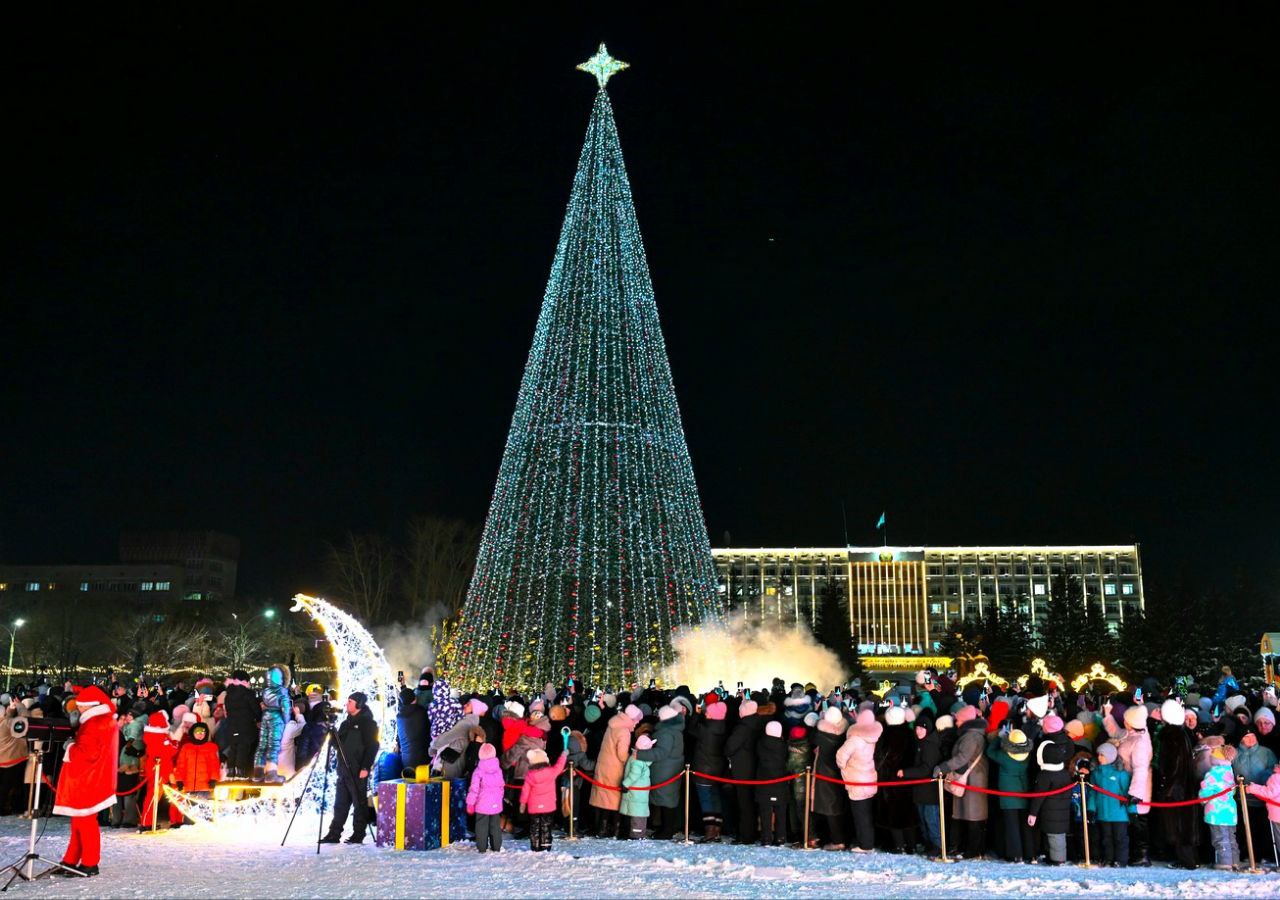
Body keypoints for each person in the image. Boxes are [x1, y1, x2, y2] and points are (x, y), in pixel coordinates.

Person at [51, 686, 117, 877]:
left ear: (90, 706)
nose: (78, 709)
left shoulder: (94, 724)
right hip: (94, 777)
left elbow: (87, 754)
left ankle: (89, 862)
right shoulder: (101, 720)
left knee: (85, 823)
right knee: (79, 822)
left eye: (81, 706)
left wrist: (70, 746)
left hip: (88, 779)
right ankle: (71, 860)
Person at [320, 692, 381, 845]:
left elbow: (373, 746)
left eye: (350, 702)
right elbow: (337, 745)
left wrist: (366, 766)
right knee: (340, 804)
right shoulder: (345, 723)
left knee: (359, 803)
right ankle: (334, 833)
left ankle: (358, 834)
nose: (347, 704)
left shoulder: (368, 723)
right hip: (343, 769)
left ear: (359, 704)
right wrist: (331, 732)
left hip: (358, 769)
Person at [935, 704, 988, 860]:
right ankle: (969, 848)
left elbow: (962, 758)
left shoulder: (971, 736)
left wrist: (942, 767)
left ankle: (973, 850)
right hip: (970, 779)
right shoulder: (973, 734)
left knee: (973, 817)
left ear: (965, 721)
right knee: (968, 815)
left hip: (972, 781)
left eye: (958, 720)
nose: (956, 722)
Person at [589, 703, 640, 838]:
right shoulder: (624, 731)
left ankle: (602, 828)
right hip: (615, 768)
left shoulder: (613, 725)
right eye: (636, 720)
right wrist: (631, 759)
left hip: (604, 765)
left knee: (604, 799)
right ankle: (616, 829)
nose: (637, 723)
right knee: (615, 800)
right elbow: (622, 754)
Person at [1027, 714, 1072, 865]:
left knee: (1054, 835)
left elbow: (1039, 795)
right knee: (1058, 835)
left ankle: (1058, 859)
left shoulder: (1045, 775)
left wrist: (1033, 813)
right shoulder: (1065, 773)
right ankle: (1056, 856)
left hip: (1050, 810)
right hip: (1061, 809)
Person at [636, 704, 686, 840]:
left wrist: (639, 754)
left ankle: (667, 830)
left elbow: (661, 752)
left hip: (665, 770)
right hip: (671, 769)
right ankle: (667, 828)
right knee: (668, 799)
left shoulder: (666, 733)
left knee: (666, 800)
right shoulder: (675, 730)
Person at [836, 708, 881, 852]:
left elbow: (840, 756)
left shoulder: (855, 739)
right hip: (869, 778)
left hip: (856, 780)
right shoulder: (872, 738)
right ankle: (866, 842)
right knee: (866, 813)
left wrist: (843, 767)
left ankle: (865, 845)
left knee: (860, 815)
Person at [986, 727, 1033, 863]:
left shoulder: (1004, 756)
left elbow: (990, 752)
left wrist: (999, 737)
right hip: (1023, 792)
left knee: (1012, 826)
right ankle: (1030, 854)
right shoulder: (1027, 756)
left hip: (1008, 796)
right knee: (1024, 825)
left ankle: (1016, 854)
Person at [725, 698, 764, 844]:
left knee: (744, 804)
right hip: (756, 768)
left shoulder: (743, 727)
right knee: (752, 803)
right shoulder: (760, 723)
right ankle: (753, 832)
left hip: (742, 770)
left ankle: (746, 835)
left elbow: (730, 746)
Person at [519, 745, 568, 852]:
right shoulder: (551, 772)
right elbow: (559, 766)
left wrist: (522, 803)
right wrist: (563, 756)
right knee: (546, 826)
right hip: (548, 806)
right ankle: (546, 846)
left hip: (534, 806)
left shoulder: (530, 775)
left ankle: (535, 846)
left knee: (534, 827)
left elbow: (525, 791)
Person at [1091, 742, 1131, 867]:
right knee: (1106, 838)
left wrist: (1132, 812)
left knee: (1120, 838)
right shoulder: (1096, 773)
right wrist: (1091, 809)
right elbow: (1093, 793)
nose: (1099, 758)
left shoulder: (1120, 773)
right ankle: (1108, 858)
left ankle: (1121, 860)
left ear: (1109, 756)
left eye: (1102, 755)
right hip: (1103, 812)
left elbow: (1128, 793)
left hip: (1119, 814)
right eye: (1098, 755)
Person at [1201, 744, 1239, 870]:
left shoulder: (1213, 773)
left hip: (1216, 811)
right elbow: (1232, 790)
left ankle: (1224, 862)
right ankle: (1234, 861)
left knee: (1220, 838)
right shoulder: (1229, 770)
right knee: (1231, 837)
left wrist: (1202, 799)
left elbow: (1206, 790)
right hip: (1230, 810)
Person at [756, 720, 792, 846]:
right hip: (780, 782)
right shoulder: (784, 746)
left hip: (764, 782)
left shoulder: (760, 744)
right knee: (780, 812)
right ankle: (780, 837)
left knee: (765, 812)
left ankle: (766, 838)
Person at [254, 664, 291, 782]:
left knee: (262, 744)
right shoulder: (282, 690)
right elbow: (285, 708)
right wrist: (286, 720)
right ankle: (271, 774)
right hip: (277, 718)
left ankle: (258, 773)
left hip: (266, 716)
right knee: (273, 745)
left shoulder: (266, 690)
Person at [466, 743, 504, 853]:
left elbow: (474, 789)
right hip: (496, 804)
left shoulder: (478, 771)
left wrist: (470, 803)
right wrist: (499, 799)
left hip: (482, 804)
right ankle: (496, 847)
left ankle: (482, 848)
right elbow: (501, 786)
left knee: (481, 826)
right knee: (495, 826)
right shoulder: (498, 770)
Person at [221, 670, 258, 779]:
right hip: (245, 726)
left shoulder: (228, 694)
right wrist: (258, 718)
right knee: (243, 748)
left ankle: (230, 772)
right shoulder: (247, 693)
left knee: (233, 748)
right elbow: (255, 708)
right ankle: (240, 773)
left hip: (232, 726)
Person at [171, 721, 221, 802]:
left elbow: (215, 765)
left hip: (205, 788)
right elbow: (181, 765)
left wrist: (214, 779)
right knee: (189, 808)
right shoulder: (186, 747)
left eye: (202, 732)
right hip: (188, 787)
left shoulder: (211, 747)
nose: (200, 734)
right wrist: (179, 780)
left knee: (203, 809)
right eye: (197, 732)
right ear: (192, 733)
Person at [620, 734, 654, 840]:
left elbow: (634, 775)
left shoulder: (636, 759)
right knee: (639, 812)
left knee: (636, 812)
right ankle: (638, 833)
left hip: (635, 791)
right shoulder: (643, 759)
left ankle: (636, 834)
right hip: (640, 791)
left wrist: (625, 784)